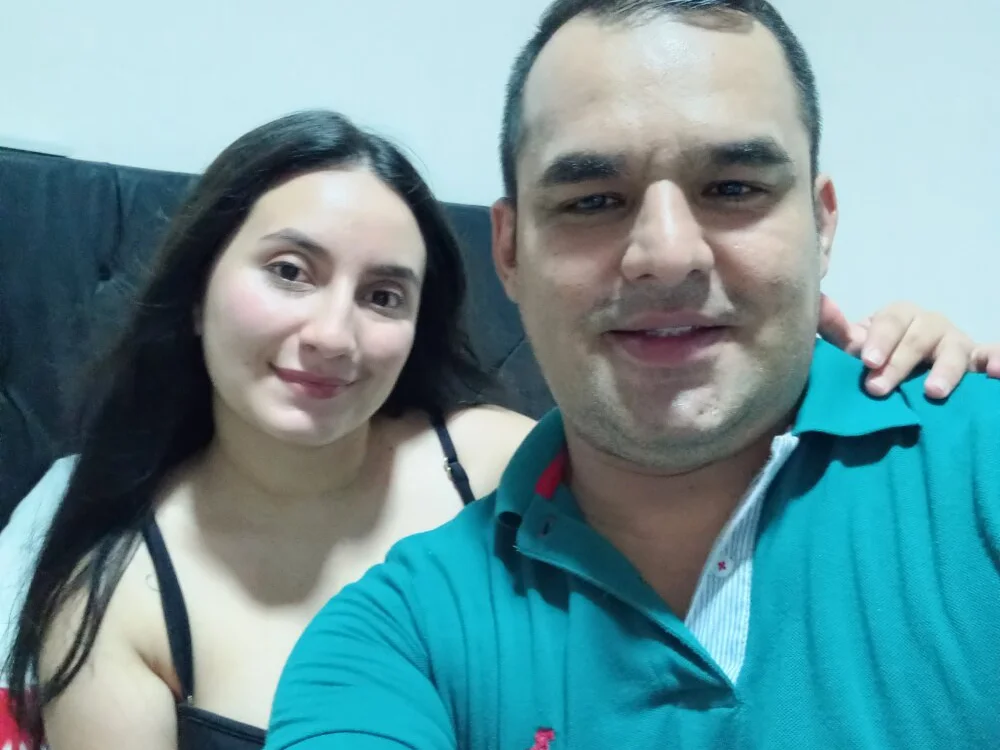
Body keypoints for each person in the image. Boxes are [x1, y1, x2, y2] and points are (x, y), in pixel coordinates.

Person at [0, 78, 993, 750]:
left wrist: (899, 368)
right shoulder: (113, 602)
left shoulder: (492, 462)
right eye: (291, 272)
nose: (333, 335)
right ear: (199, 288)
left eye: (383, 295)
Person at [263, 2, 1000, 749]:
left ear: (822, 223)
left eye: (734, 187)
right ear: (509, 252)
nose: (667, 256)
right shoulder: (395, 640)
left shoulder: (982, 460)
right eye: (592, 201)